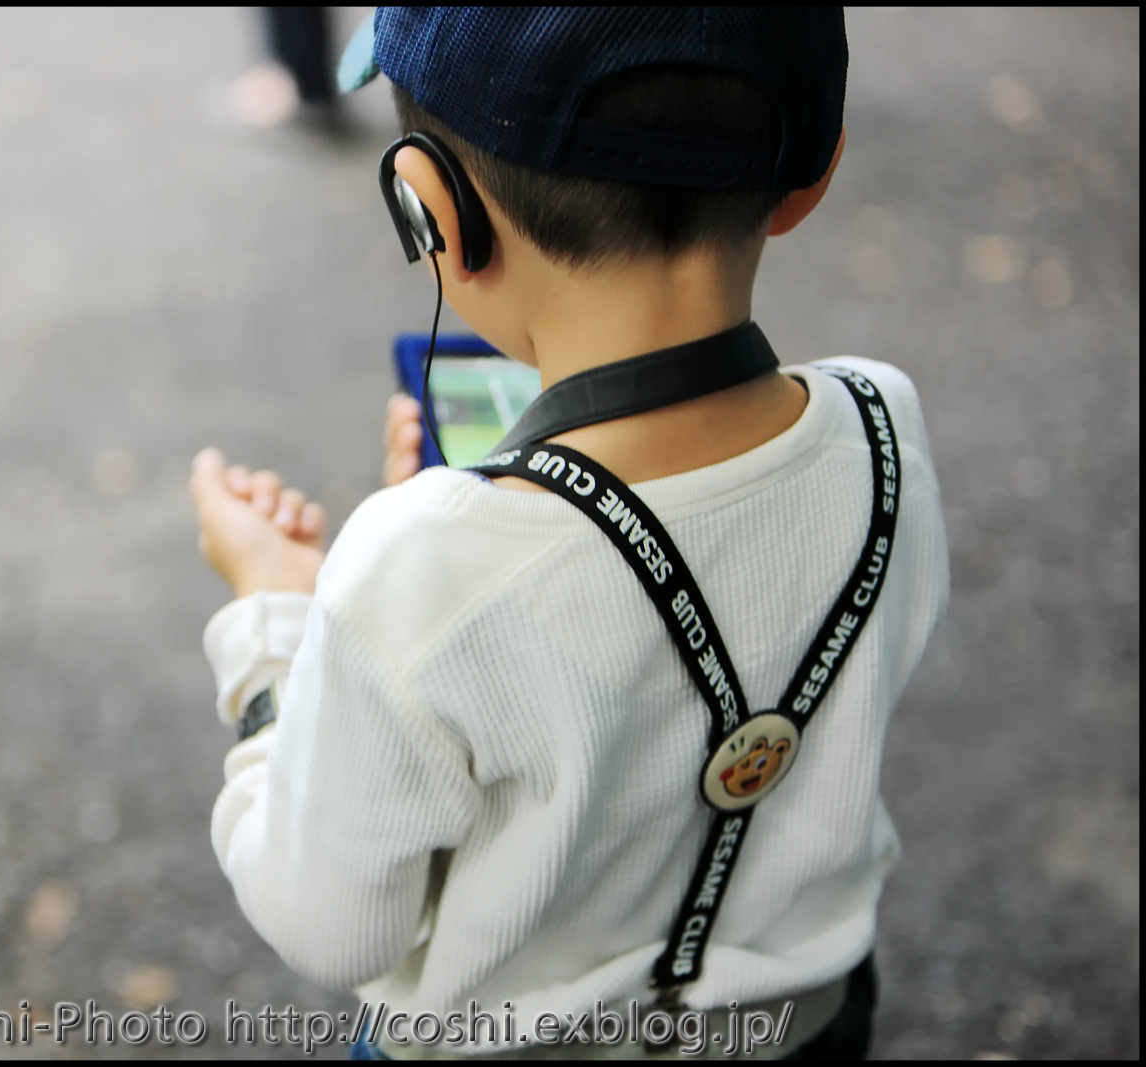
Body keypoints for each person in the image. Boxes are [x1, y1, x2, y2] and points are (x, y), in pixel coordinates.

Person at [188, 8, 949, 1060]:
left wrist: (274, 621)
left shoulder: (416, 564)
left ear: (430, 211)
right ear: (810, 177)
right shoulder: (884, 423)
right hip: (806, 1029)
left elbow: (332, 922)